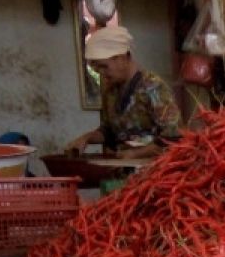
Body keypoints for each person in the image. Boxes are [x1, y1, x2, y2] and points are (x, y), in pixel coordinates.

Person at [66, 26, 182, 159]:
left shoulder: (153, 87)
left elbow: (174, 137)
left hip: (156, 171)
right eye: (97, 68)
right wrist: (87, 138)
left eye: (104, 66)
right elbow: (109, 131)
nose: (102, 73)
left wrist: (136, 154)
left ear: (121, 57)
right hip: (123, 169)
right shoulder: (110, 92)